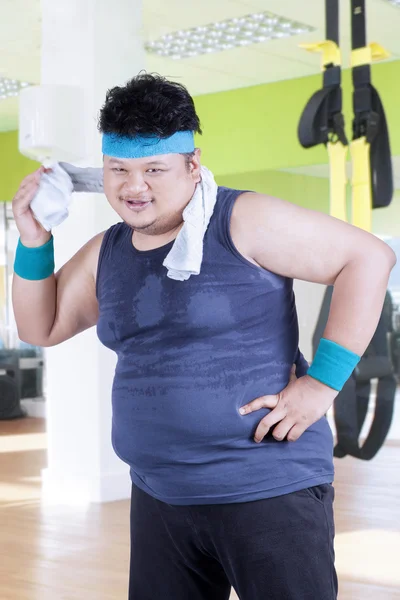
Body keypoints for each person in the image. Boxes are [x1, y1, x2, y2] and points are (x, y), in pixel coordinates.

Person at [12, 73, 396, 600]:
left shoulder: (242, 219)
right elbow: (42, 325)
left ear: (192, 166)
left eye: (154, 169)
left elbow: (369, 257)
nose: (134, 187)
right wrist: (34, 241)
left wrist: (321, 386)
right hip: (158, 496)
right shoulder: (109, 251)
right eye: (118, 170)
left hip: (266, 493)